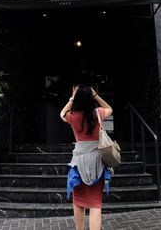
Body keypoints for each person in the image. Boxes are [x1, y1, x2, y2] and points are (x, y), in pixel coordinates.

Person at [60, 86, 113, 230]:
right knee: (95, 203)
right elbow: (110, 108)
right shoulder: (98, 113)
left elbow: (62, 113)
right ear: (91, 98)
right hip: (97, 161)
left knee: (78, 200)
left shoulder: (72, 115)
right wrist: (96, 95)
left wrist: (72, 98)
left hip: (79, 163)